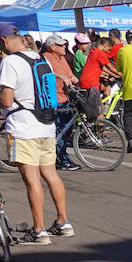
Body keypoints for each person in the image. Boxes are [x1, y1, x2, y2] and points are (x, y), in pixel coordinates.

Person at [0, 28, 71, 243]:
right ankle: (63, 222)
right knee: (51, 175)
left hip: (24, 127)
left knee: (32, 180)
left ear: (3, 41)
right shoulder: (40, 58)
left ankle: (39, 229)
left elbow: (7, 100)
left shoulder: (10, 62)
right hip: (46, 125)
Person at [40, 34, 80, 171]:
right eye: (61, 45)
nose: (64, 47)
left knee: (66, 129)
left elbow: (71, 75)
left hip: (66, 97)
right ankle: (61, 160)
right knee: (59, 131)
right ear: (52, 47)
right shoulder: (45, 58)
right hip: (54, 98)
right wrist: (61, 77)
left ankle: (60, 156)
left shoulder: (62, 58)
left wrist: (78, 81)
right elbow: (47, 74)